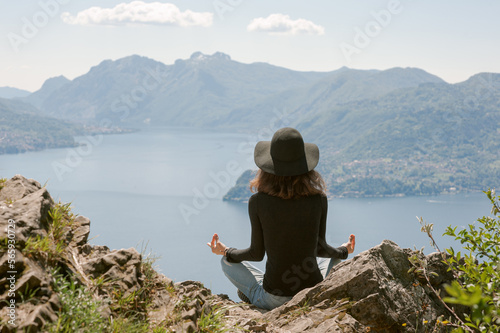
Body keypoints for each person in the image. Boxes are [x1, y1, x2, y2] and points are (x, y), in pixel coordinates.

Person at [207, 127, 355, 310]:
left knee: (227, 262)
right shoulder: (319, 200)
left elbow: (256, 253)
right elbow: (321, 249)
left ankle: (254, 296)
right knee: (333, 259)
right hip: (312, 292)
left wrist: (226, 251)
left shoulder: (257, 202)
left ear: (268, 166)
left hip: (275, 299)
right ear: (305, 167)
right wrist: (343, 250)